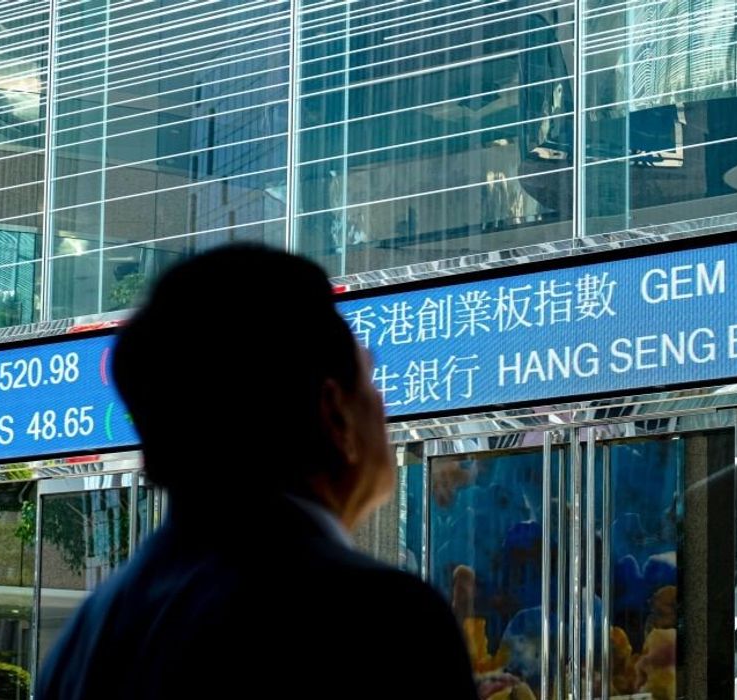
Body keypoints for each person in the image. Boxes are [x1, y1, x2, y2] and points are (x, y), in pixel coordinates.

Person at [34, 245, 478, 700]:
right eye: (370, 377)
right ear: (333, 413)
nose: (383, 404)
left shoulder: (84, 643)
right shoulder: (379, 616)